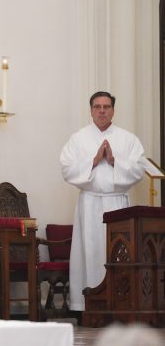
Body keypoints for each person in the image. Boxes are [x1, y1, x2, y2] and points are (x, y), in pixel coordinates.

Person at [60, 91, 146, 312]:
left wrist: (115, 161)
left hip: (118, 205)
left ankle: (121, 305)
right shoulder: (78, 138)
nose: (101, 111)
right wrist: (94, 160)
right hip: (89, 205)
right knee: (89, 254)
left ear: (113, 110)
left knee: (118, 255)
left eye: (106, 107)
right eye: (97, 107)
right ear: (91, 110)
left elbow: (139, 169)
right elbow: (67, 168)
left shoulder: (128, 139)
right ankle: (89, 306)